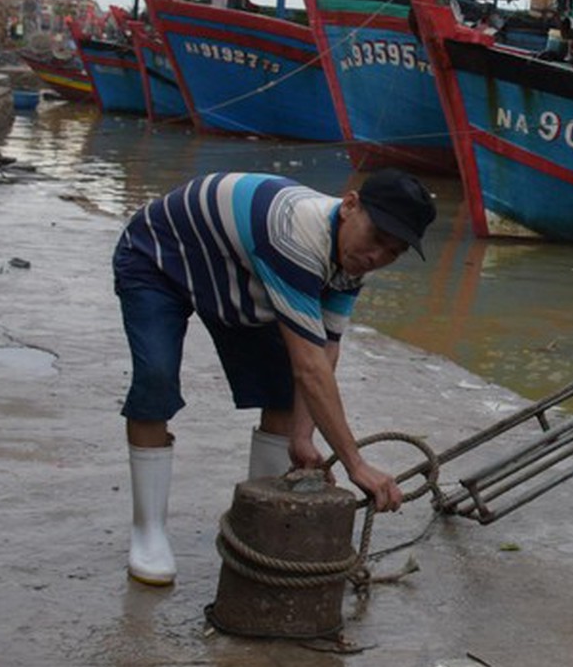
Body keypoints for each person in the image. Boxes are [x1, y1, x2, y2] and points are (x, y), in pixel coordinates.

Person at [112, 168, 437, 586]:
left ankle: (257, 525)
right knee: (155, 380)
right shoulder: (293, 234)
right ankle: (148, 530)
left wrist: (302, 437)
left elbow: (325, 347)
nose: (378, 256)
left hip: (239, 273)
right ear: (350, 205)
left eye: (393, 251)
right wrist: (356, 463)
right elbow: (310, 365)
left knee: (285, 395)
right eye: (376, 238)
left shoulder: (352, 260)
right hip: (159, 259)